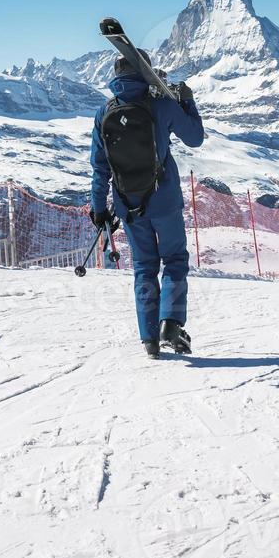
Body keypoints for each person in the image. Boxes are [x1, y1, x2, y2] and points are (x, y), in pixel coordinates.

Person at [90, 52, 204, 359]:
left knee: (144, 267)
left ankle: (149, 339)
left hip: (128, 205)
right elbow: (195, 138)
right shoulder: (163, 106)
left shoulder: (104, 113)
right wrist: (186, 102)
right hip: (164, 202)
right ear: (147, 74)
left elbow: (99, 168)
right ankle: (171, 323)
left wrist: (99, 208)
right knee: (175, 260)